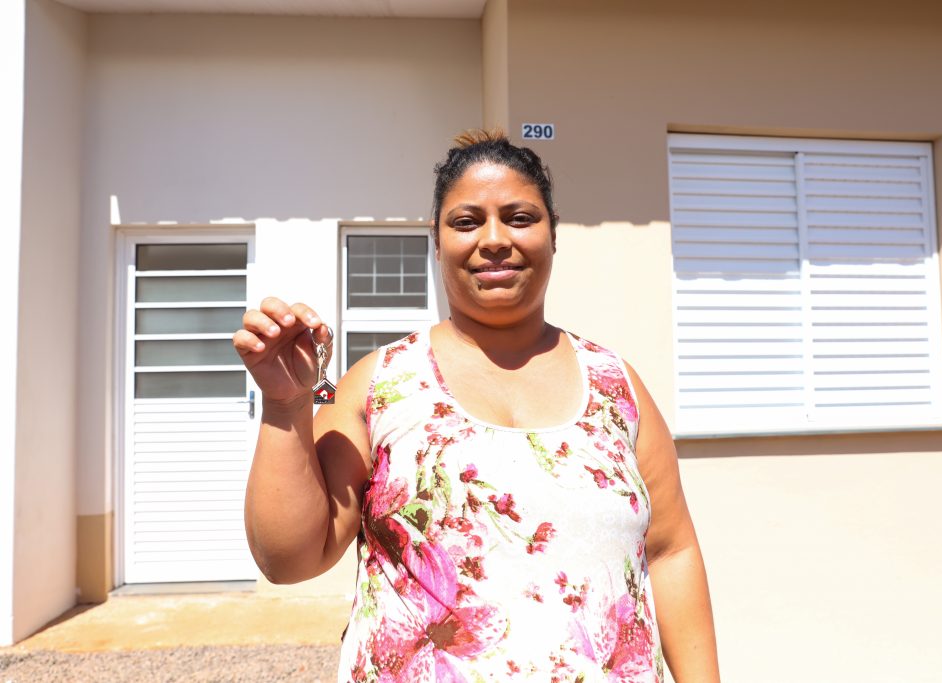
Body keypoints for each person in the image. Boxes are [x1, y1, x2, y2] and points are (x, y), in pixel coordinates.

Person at [233, 131, 720, 682]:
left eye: (520, 218)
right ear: (437, 241)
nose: (494, 239)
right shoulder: (380, 384)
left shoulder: (616, 387)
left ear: (553, 234)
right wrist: (286, 405)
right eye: (467, 222)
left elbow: (670, 552)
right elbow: (289, 560)